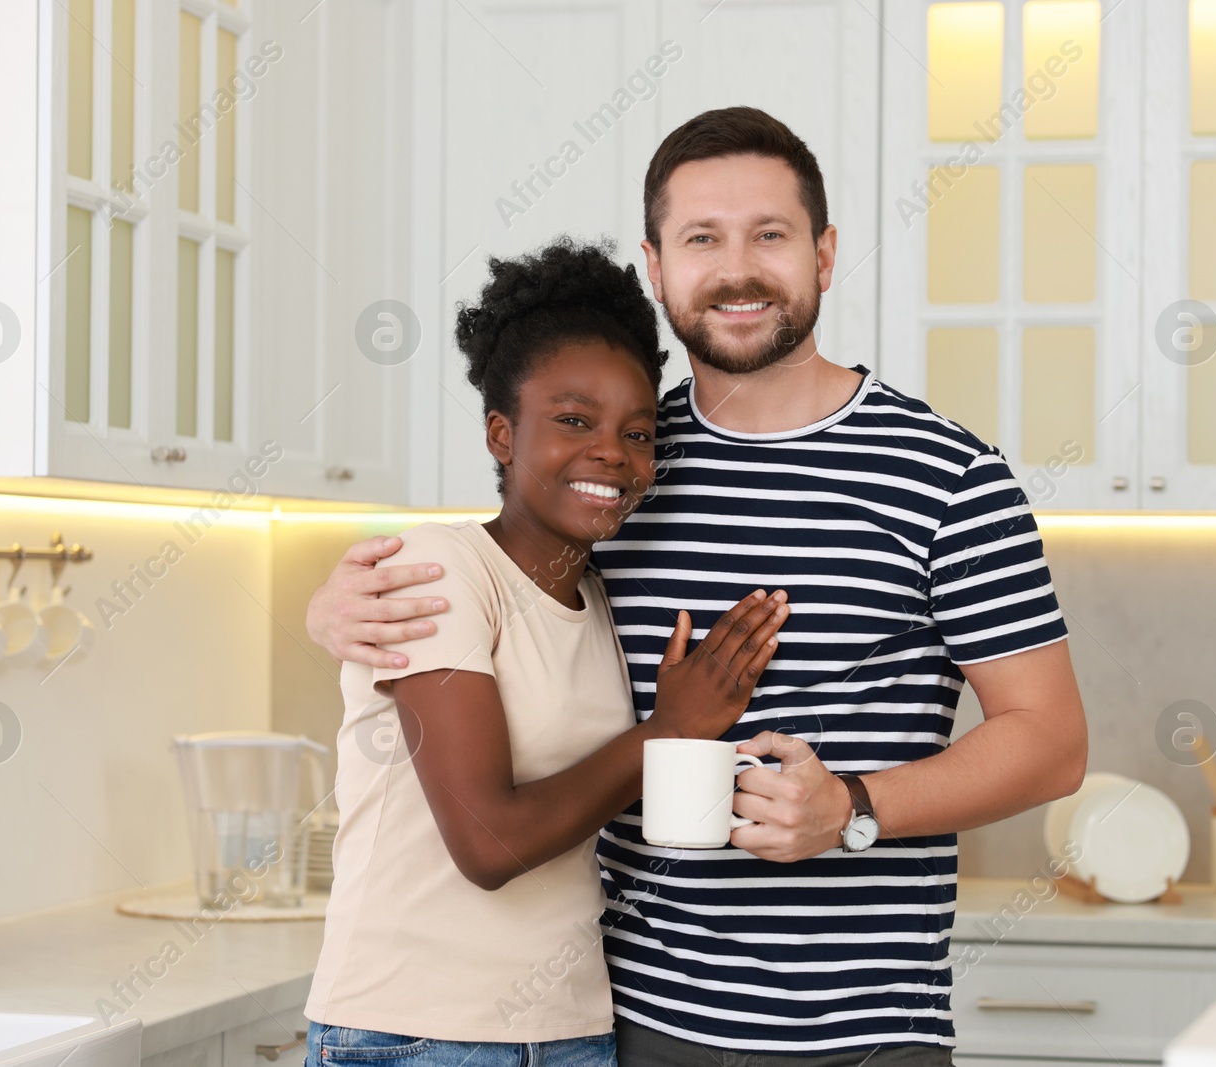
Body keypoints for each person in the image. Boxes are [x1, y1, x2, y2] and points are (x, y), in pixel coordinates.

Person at [309, 107, 1088, 1065]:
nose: (738, 269)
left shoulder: (949, 476)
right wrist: (336, 605)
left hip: (868, 1033)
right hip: (626, 1024)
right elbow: (493, 597)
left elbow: (1049, 743)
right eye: (702, 239)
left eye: (770, 234)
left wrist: (853, 804)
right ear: (657, 265)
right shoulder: (622, 460)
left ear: (825, 253)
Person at [302, 238, 790, 1067]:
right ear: (502, 432)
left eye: (637, 433)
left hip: (567, 1033)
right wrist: (665, 733)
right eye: (573, 420)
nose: (612, 453)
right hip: (415, 1034)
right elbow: (488, 842)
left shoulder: (595, 595)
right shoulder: (443, 568)